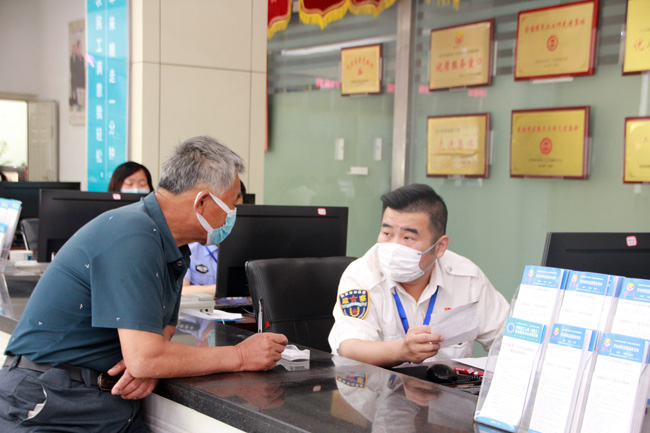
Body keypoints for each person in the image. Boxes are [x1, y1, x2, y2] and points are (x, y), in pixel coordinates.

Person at [0, 136, 288, 432]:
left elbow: (160, 337)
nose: (233, 214)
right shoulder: (133, 236)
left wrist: (153, 361)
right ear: (202, 202)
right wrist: (239, 356)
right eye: (232, 204)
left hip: (102, 405)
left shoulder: (171, 245)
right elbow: (146, 357)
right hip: (51, 404)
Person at [328, 183, 509, 368]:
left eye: (408, 237)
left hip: (447, 386)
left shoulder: (466, 277)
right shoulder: (361, 274)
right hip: (378, 385)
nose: (394, 247)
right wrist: (401, 350)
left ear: (440, 247)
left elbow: (508, 340)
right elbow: (350, 348)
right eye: (387, 233)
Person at [181, 181, 247, 297]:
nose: (231, 215)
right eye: (228, 207)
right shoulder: (190, 247)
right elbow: (182, 292)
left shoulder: (248, 246)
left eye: (236, 209)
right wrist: (223, 289)